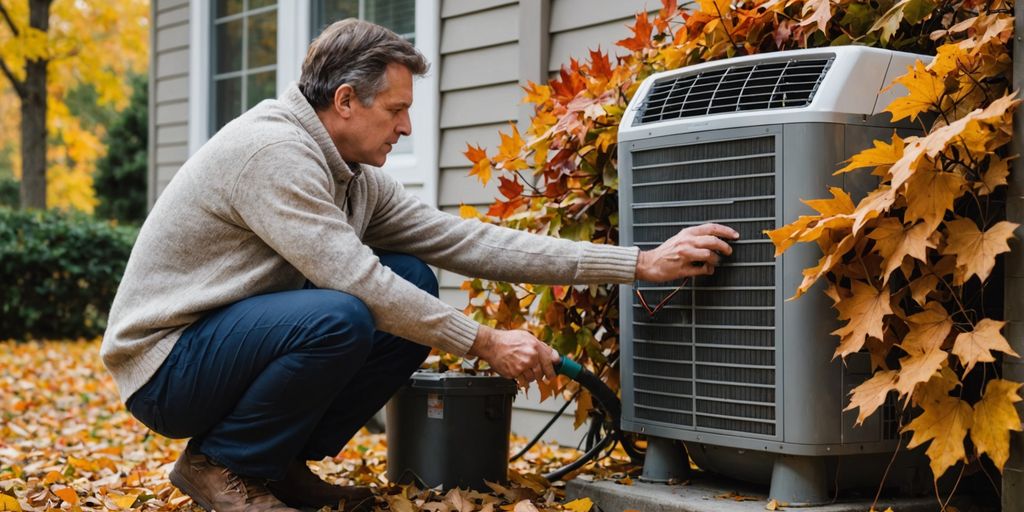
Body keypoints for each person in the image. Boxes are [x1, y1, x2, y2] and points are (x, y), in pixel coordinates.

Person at [101, 18, 738, 512]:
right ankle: (219, 465)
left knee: (413, 279)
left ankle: (277, 461)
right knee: (344, 311)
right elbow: (355, 281)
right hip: (167, 365)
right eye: (396, 110)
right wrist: (485, 342)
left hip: (226, 348)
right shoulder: (274, 154)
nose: (406, 127)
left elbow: (470, 243)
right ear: (345, 100)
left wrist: (641, 262)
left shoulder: (351, 175)